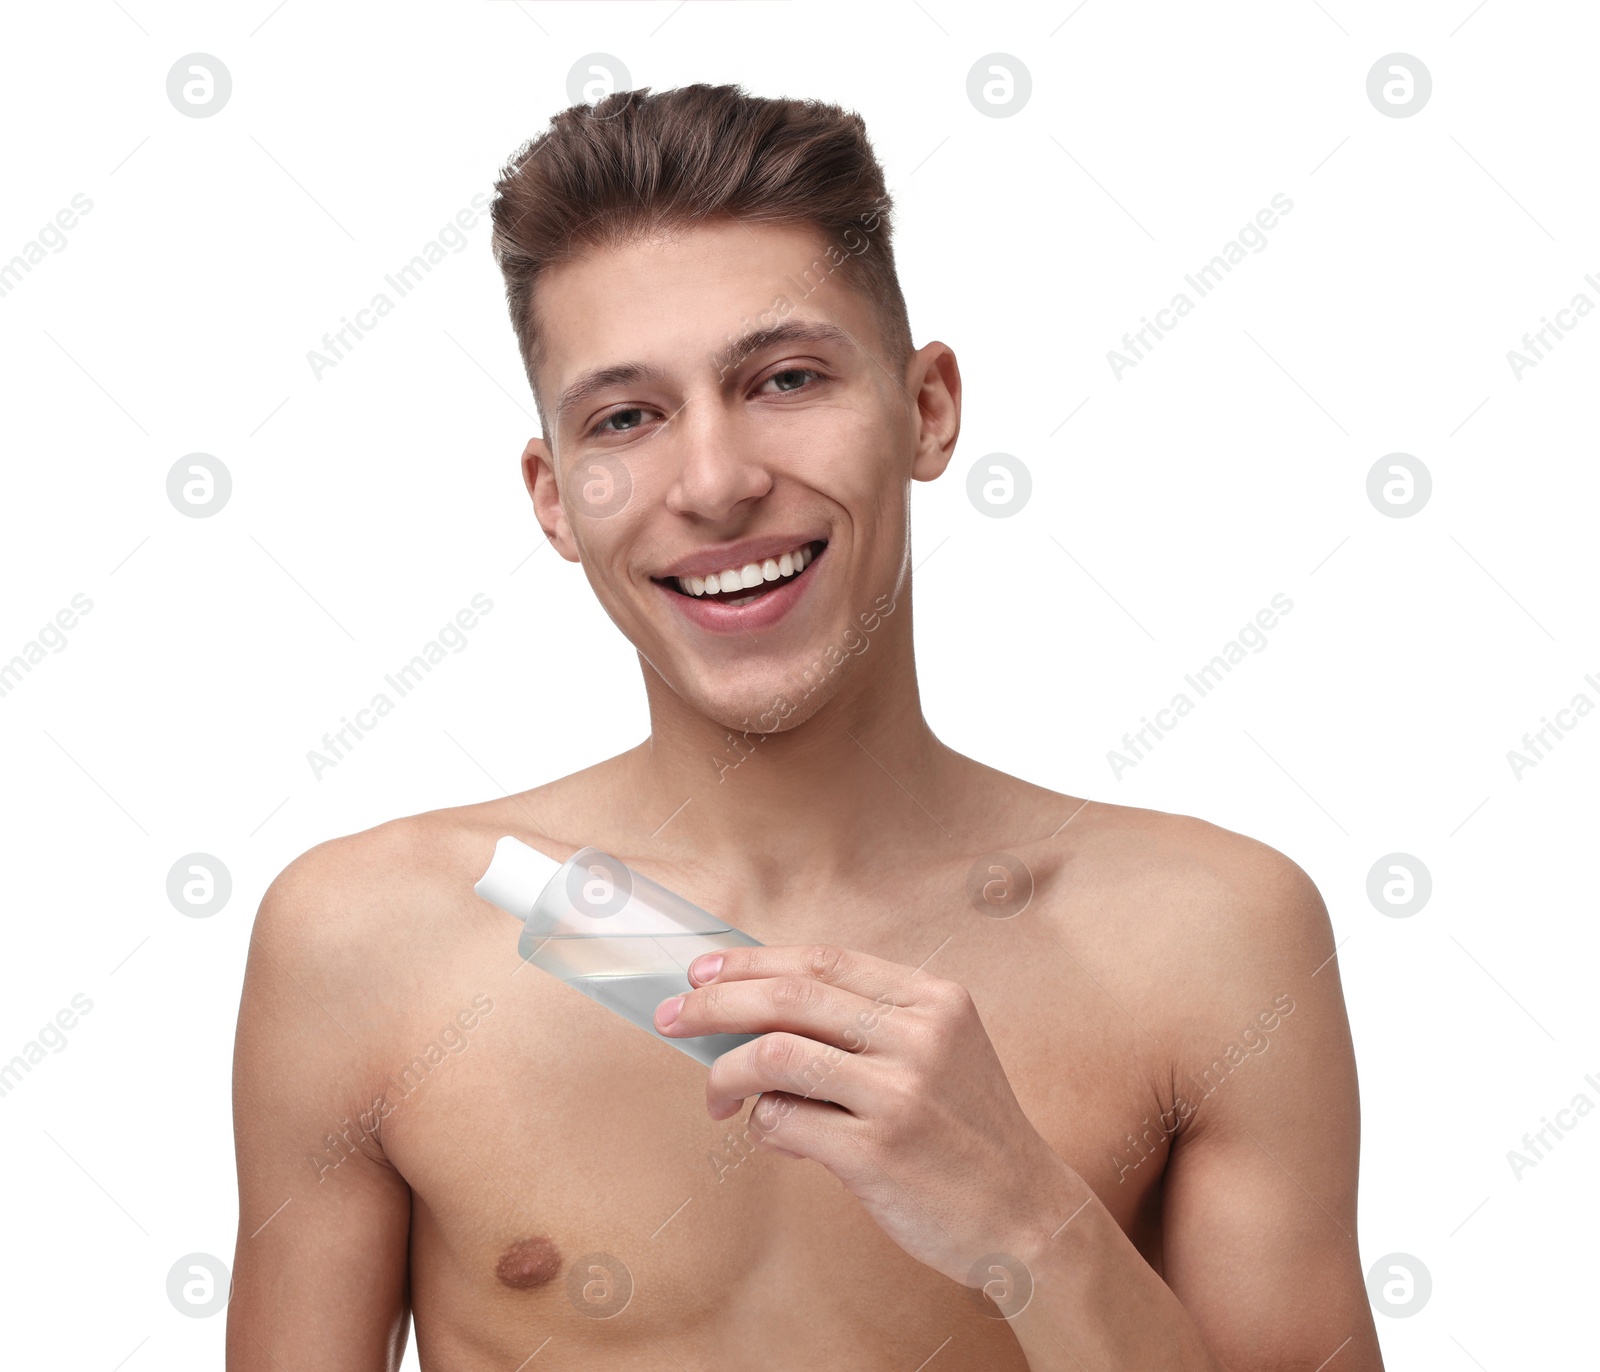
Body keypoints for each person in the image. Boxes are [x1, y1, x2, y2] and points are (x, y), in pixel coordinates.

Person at [227, 83, 1383, 1370]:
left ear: (928, 409)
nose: (716, 482)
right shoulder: (370, 939)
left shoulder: (1211, 935)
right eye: (627, 417)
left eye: (783, 379)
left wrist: (1028, 1219)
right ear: (556, 498)